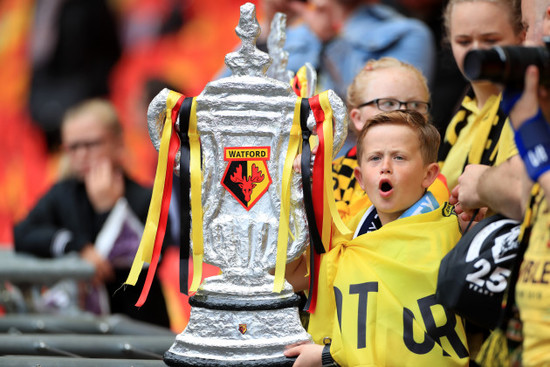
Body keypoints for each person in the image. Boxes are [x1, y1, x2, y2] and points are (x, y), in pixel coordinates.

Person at [285, 110, 469, 366]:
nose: (385, 167)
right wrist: (299, 192)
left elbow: (399, 338)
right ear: (360, 178)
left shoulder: (451, 231)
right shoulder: (347, 233)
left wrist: (328, 357)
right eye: (375, 158)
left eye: (399, 157)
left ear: (429, 175)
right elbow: (289, 277)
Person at [13, 99, 170, 328]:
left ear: (117, 143)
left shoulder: (145, 197)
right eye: (73, 147)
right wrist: (75, 245)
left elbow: (146, 259)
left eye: (92, 144)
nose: (82, 154)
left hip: (139, 329)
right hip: (78, 332)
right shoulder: (62, 194)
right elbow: (22, 234)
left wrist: (108, 210)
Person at [332, 57, 450, 221]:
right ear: (357, 118)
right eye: (388, 104)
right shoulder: (331, 175)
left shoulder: (429, 179)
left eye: (416, 105)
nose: (404, 113)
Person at [438, 0, 525, 205]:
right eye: (464, 42)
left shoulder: (527, 107)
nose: (476, 52)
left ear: (522, 38)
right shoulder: (461, 114)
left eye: (490, 40)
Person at [259, 0, 435, 99]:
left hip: (352, 160)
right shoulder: (300, 30)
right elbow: (235, 96)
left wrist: (331, 41)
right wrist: (270, 29)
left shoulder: (408, 34)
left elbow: (381, 113)